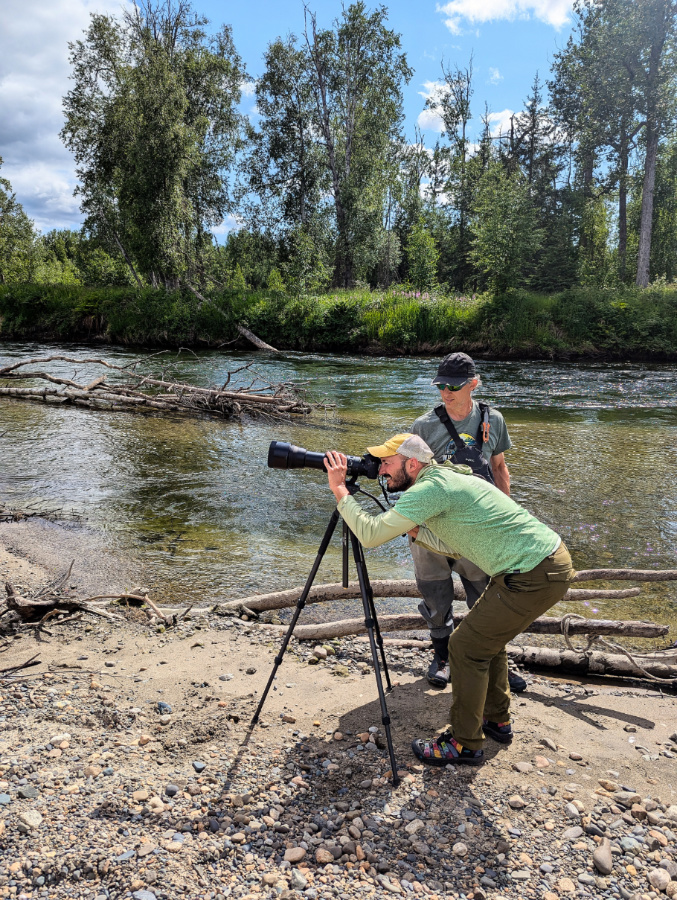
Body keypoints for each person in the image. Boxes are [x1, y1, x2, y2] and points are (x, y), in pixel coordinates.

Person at [324, 434, 574, 766]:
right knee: (485, 641)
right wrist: (418, 533)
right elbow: (457, 545)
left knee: (464, 648)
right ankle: (496, 721)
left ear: (412, 463)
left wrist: (340, 490)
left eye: (387, 462)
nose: (380, 470)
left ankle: (464, 744)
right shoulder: (446, 477)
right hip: (540, 563)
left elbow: (369, 534)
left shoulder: (429, 489)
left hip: (531, 573)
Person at [409, 351, 526, 692]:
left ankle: (493, 662)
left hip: (478, 527)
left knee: (487, 596)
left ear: (473, 384)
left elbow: (500, 469)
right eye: (441, 385)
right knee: (435, 592)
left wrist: (509, 520)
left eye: (454, 386)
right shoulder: (424, 426)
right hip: (432, 526)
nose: (446, 392)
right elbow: (413, 476)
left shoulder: (494, 420)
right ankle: (442, 657)